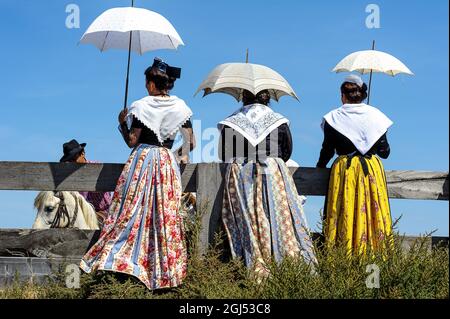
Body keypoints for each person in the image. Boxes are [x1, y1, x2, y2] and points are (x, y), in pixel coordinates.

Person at [80, 58, 195, 290]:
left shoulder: (141, 106)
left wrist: (122, 123)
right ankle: (165, 274)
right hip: (165, 163)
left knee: (129, 211)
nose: (145, 86)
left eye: (146, 82)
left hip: (142, 161)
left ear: (152, 84)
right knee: (164, 215)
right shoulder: (182, 108)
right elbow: (190, 143)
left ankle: (126, 267)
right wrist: (173, 155)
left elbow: (132, 142)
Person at [218, 89, 317, 277]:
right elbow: (287, 151)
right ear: (268, 97)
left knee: (248, 219)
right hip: (272, 172)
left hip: (242, 174)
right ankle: (285, 263)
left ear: (243, 96)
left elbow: (224, 154)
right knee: (277, 215)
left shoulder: (231, 122)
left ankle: (251, 263)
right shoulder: (278, 120)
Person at [317, 74, 393, 256]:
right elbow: (385, 152)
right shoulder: (376, 116)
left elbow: (327, 150)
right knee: (373, 217)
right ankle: (372, 274)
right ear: (363, 95)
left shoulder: (333, 118)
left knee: (343, 213)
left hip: (345, 171)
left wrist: (320, 166)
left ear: (343, 95)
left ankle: (344, 266)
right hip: (371, 170)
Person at [60, 139, 112, 226]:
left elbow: (101, 189)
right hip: (80, 213)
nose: (72, 162)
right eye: (69, 160)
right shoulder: (70, 176)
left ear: (82, 153)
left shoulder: (96, 167)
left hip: (101, 211)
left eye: (74, 158)